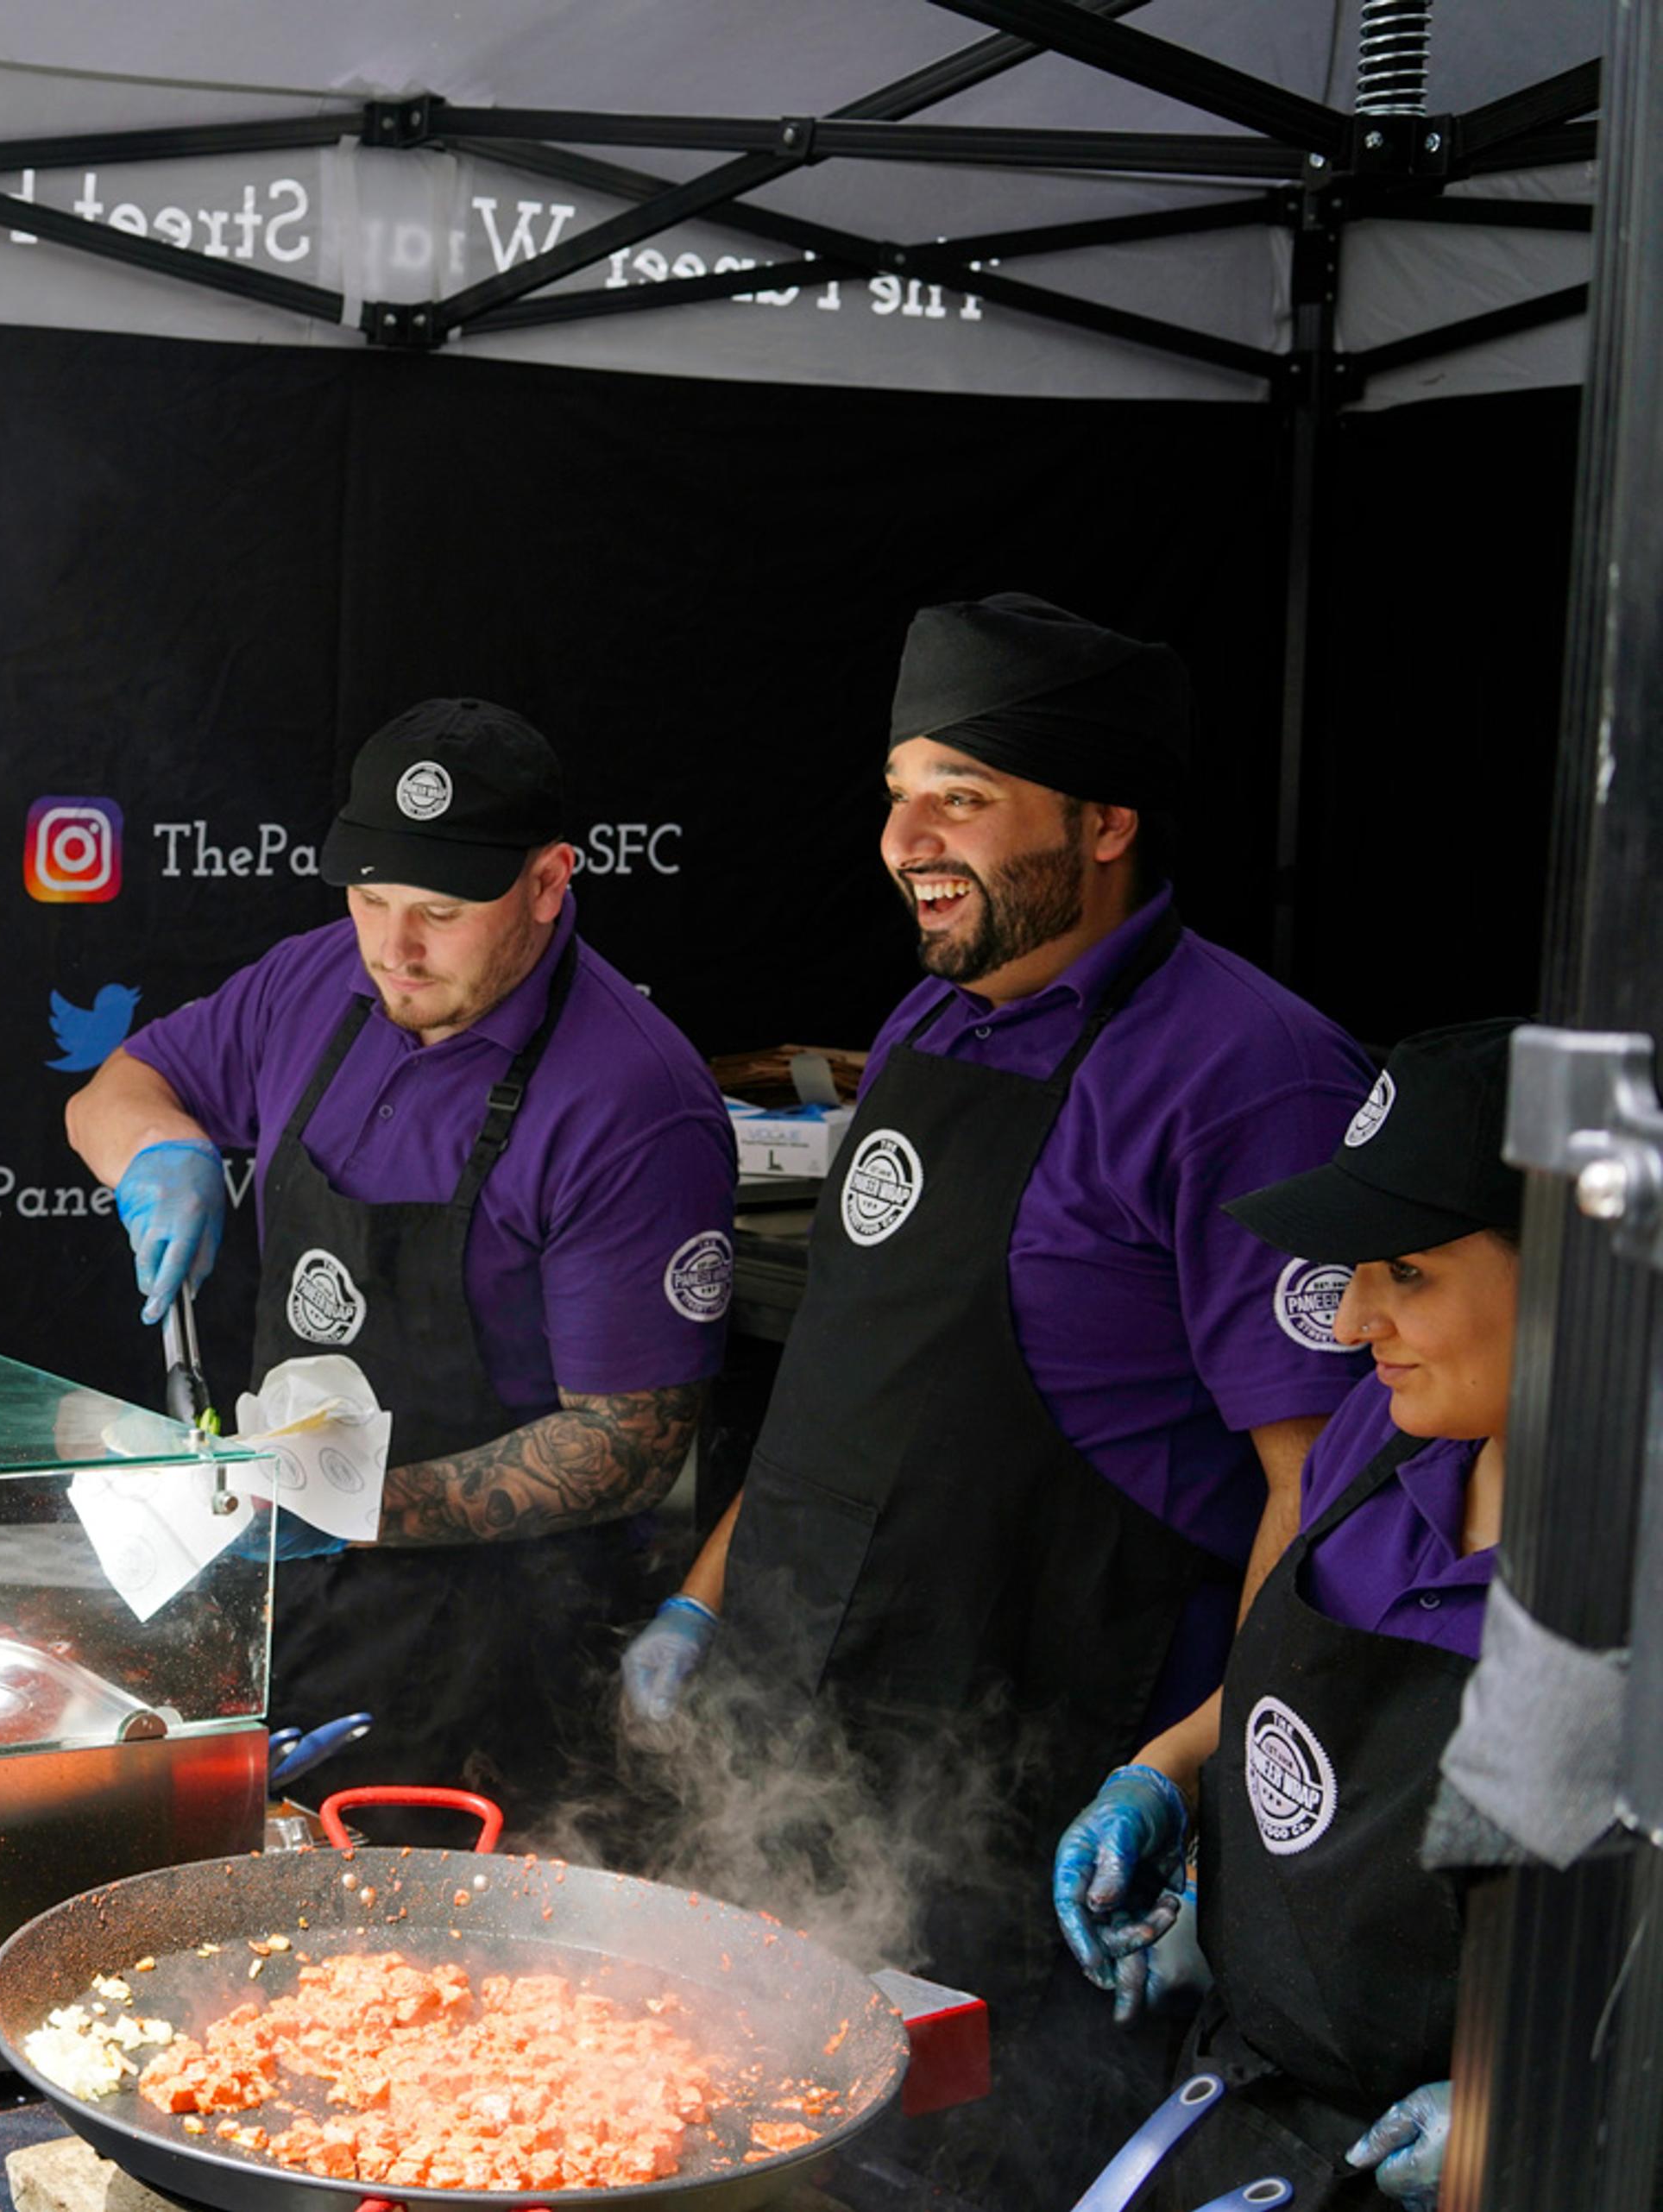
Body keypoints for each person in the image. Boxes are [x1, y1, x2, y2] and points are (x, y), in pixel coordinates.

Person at [621, 595, 1376, 2195]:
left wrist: (1201, 1783)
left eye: (959, 795)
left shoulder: (1254, 1074)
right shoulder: (927, 1017)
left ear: (1106, 821)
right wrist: (703, 1598)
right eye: (899, 792)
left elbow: (1325, 1497)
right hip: (797, 1746)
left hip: (1034, 1789)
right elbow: (843, 1385)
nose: (904, 841)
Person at [64, 698, 735, 1820]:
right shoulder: (315, 980)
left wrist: (355, 1502)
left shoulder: (631, 1103)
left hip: (501, 1652)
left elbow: (629, 1444)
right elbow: (115, 1089)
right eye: (371, 898)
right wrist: (158, 1149)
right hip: (290, 1594)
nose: (394, 948)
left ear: (548, 881)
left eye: (440, 911)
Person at [1052, 1020, 1528, 2212]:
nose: (1353, 1319)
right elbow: (1302, 1683)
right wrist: (1166, 1770)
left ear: (1588, 1273)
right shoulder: (1384, 1428)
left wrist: (1540, 2100)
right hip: (1259, 2095)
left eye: (1406, 1270)